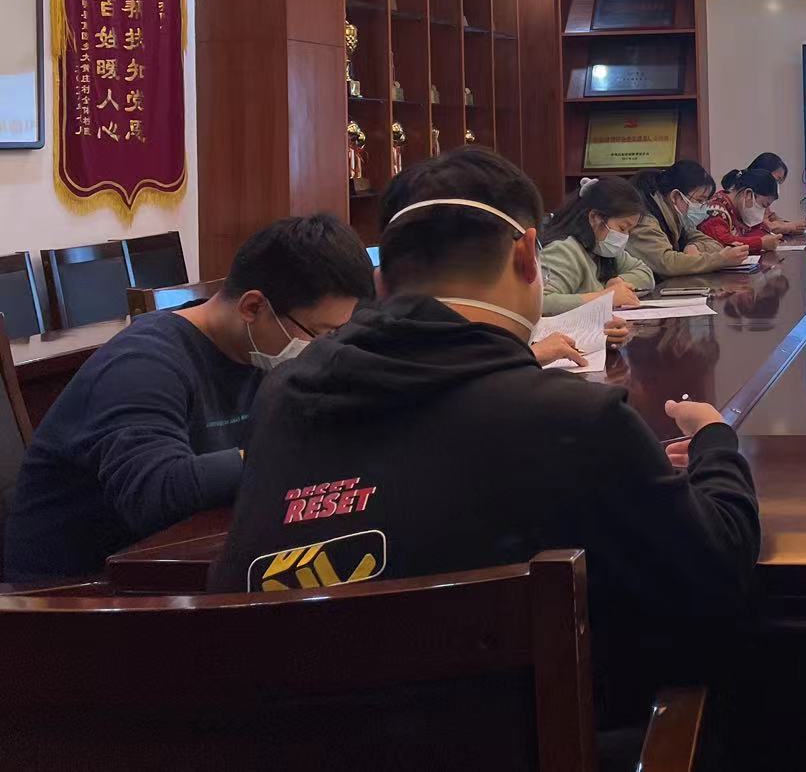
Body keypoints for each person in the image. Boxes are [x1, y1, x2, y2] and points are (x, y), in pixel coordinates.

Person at [209, 148, 760, 717]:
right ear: (527, 255)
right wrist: (715, 443)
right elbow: (716, 570)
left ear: (380, 280)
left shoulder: (281, 396)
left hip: (289, 737)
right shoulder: (575, 419)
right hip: (523, 744)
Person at [3, 215, 372, 582]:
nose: (322, 349)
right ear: (253, 307)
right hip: (69, 595)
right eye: (319, 333)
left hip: (169, 565)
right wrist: (287, 453)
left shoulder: (259, 350)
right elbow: (156, 493)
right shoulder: (141, 365)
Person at [539, 175, 657, 314]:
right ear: (595, 217)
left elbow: (645, 273)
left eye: (629, 231)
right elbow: (542, 303)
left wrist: (619, 281)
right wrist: (606, 297)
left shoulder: (604, 250)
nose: (625, 236)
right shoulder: (564, 250)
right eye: (622, 228)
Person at [629, 160, 752, 278]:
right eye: (699, 200)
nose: (702, 207)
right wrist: (721, 259)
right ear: (675, 196)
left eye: (705, 201)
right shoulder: (644, 221)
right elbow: (668, 263)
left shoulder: (678, 217)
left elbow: (713, 244)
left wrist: (695, 246)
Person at [701, 167, 783, 253]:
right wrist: (760, 243)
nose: (764, 211)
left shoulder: (738, 210)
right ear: (748, 194)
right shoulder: (715, 210)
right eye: (763, 205)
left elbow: (756, 229)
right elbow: (722, 241)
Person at [746, 152, 806, 236]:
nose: (776, 185)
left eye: (779, 182)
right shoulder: (747, 196)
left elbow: (771, 218)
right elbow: (761, 227)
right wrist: (789, 227)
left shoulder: (762, 196)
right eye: (775, 180)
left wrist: (790, 226)